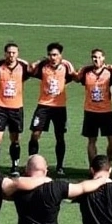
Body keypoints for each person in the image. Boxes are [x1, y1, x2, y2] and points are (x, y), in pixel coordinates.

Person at [2, 153, 111, 224]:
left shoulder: (17, 189)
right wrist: (102, 180)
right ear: (45, 171)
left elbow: (5, 189)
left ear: (27, 170)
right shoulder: (56, 187)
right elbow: (82, 187)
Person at [29, 42, 76, 175]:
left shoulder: (65, 67)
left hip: (59, 107)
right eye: (50, 55)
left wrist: (67, 64)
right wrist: (40, 60)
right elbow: (31, 69)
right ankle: (31, 163)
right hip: (43, 106)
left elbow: (74, 76)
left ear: (60, 55)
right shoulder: (43, 66)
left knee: (60, 136)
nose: (52, 57)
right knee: (35, 135)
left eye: (55, 55)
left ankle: (60, 166)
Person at [0, 43, 31, 175]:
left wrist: (22, 61)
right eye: (9, 52)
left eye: (14, 52)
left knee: (15, 139)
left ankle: (15, 166)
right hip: (0, 107)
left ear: (18, 54)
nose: (11, 55)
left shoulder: (23, 67)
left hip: (16, 108)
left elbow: (33, 68)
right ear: (5, 53)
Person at [78, 48, 112, 168]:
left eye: (99, 57)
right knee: (91, 141)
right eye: (94, 57)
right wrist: (81, 70)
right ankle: (94, 167)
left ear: (104, 58)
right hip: (90, 111)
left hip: (106, 111)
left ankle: (108, 164)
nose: (96, 60)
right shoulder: (87, 72)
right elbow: (76, 78)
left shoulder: (110, 72)